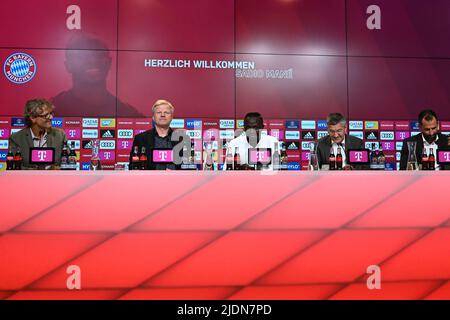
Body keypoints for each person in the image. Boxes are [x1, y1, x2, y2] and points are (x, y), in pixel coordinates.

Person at [52, 32, 143, 117]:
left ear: (109, 63)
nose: (92, 61)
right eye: (83, 56)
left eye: (99, 55)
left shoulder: (127, 113)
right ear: (68, 65)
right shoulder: (52, 109)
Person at [129, 99, 188, 170]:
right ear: (153, 117)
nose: (163, 115)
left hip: (175, 180)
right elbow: (133, 167)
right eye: (159, 112)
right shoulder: (141, 139)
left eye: (166, 112)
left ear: (172, 117)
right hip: (149, 180)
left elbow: (187, 168)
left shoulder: (182, 140)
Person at [8, 99, 67, 169]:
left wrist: (57, 169)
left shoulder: (59, 135)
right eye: (46, 115)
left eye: (51, 113)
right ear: (33, 118)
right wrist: (35, 172)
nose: (51, 117)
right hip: (27, 179)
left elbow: (69, 161)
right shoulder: (16, 138)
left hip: (54, 178)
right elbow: (13, 166)